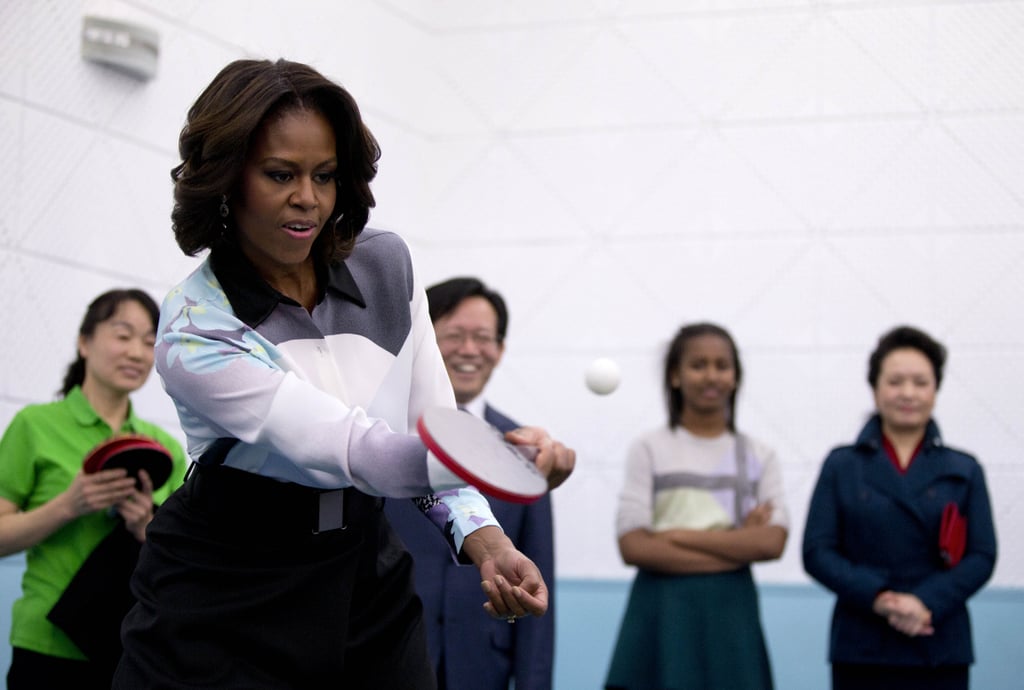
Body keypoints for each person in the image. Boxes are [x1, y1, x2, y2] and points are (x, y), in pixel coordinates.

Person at [112, 58, 575, 689]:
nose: (308, 198)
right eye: (281, 175)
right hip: (227, 586)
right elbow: (361, 451)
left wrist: (487, 539)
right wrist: (498, 459)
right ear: (226, 179)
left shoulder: (386, 264)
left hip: (365, 570)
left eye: (325, 175)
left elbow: (428, 429)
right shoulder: (198, 326)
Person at [0, 288, 188, 690]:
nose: (137, 353)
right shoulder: (35, 426)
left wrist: (145, 528)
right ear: (84, 343)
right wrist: (69, 504)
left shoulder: (166, 449)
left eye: (148, 341)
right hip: (46, 647)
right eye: (123, 335)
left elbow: (182, 564)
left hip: (133, 647)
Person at [803, 326, 996, 690]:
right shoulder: (843, 465)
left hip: (938, 640)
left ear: (935, 391)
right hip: (862, 642)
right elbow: (817, 551)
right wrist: (879, 598)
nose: (908, 393)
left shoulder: (964, 469)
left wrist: (924, 602)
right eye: (895, 381)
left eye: (920, 382)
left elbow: (982, 555)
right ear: (875, 389)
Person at [385, 277, 556, 690]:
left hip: (482, 668)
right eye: (454, 336)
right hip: (388, 657)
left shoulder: (524, 447)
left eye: (483, 338)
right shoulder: (379, 437)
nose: (469, 350)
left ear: (499, 350)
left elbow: (538, 570)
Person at [605, 322, 788, 690]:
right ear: (675, 375)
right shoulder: (650, 448)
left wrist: (673, 536)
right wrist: (738, 545)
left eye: (722, 365)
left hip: (732, 617)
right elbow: (633, 546)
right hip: (661, 614)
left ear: (736, 377)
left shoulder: (758, 455)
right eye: (698, 364)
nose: (711, 375)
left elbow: (771, 543)